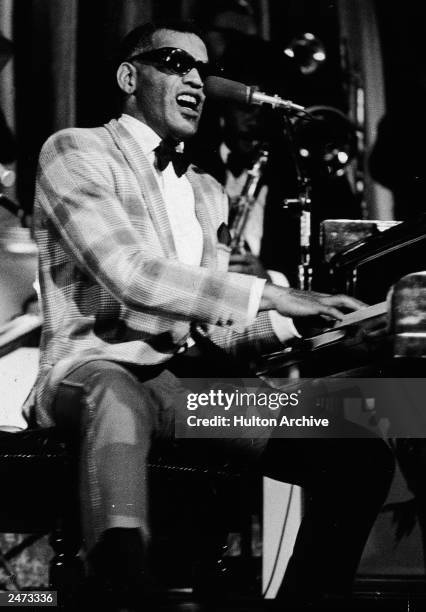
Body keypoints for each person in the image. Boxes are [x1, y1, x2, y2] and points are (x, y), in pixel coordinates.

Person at [31, 21, 394, 611]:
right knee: (117, 394)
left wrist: (328, 329)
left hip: (186, 388)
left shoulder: (206, 190)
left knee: (356, 452)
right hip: (96, 369)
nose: (197, 79)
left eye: (203, 69)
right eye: (176, 62)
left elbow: (213, 324)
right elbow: (130, 274)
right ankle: (123, 580)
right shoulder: (75, 150)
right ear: (129, 76)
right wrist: (273, 295)